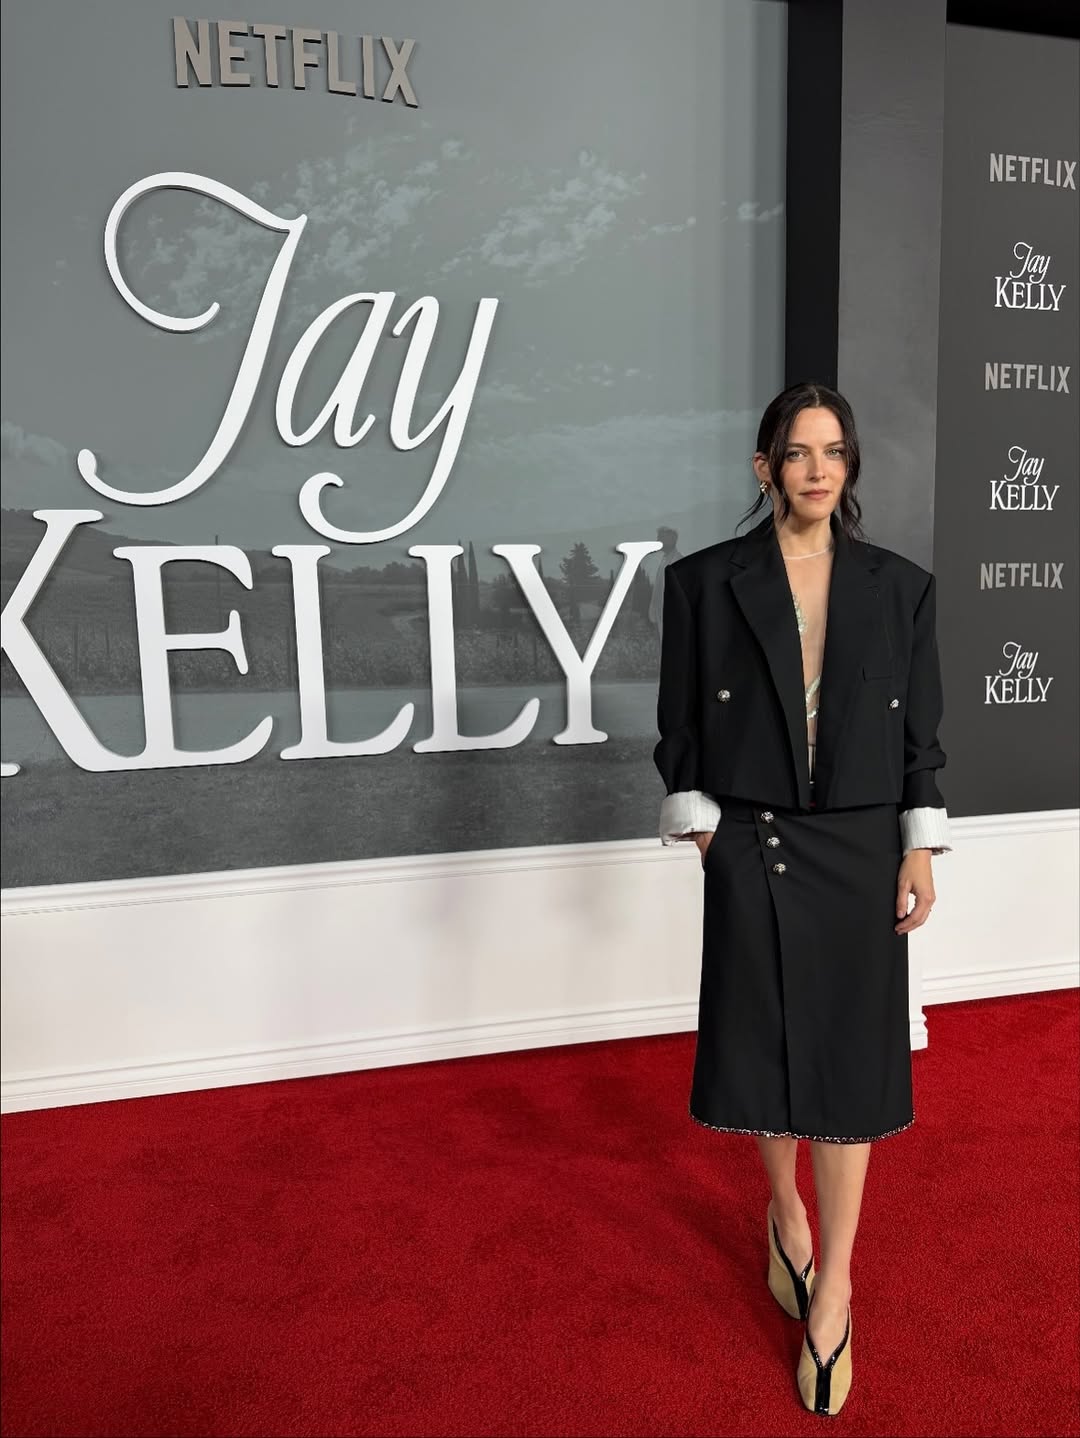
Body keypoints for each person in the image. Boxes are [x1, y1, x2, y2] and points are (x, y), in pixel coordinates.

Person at [653, 381, 951, 1418]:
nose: (817, 469)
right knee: (768, 1042)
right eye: (796, 452)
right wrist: (707, 830)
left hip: (861, 847)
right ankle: (783, 1212)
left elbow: (920, 736)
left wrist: (920, 845)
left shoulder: (901, 588)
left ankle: (837, 1283)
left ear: (849, 464)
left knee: (849, 1061)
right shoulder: (703, 583)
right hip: (755, 836)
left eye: (833, 451)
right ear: (764, 467)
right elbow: (680, 724)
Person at [648, 526, 683, 643]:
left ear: (671, 540)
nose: (658, 541)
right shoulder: (664, 560)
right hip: (661, 614)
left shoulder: (678, 561)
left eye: (661, 538)